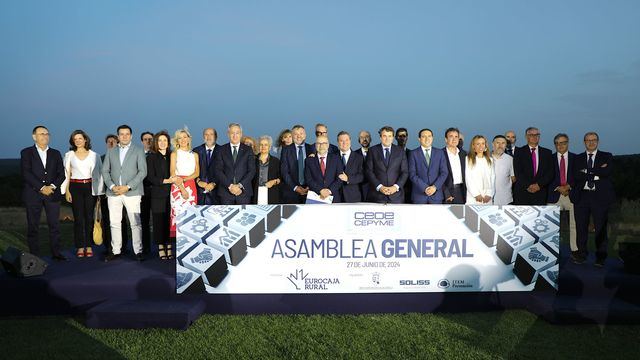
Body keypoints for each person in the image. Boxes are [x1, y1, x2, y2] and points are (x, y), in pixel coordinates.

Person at [20, 125, 67, 261]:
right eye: (41, 134)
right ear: (34, 137)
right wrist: (42, 187)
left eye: (47, 133)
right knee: (33, 226)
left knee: (54, 225)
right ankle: (35, 257)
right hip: (33, 195)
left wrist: (51, 187)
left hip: (52, 194)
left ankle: (56, 253)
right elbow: (26, 173)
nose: (45, 136)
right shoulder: (26, 152)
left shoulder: (56, 153)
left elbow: (61, 174)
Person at [102, 124, 147, 262]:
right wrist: (112, 186)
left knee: (135, 223)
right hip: (113, 193)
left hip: (132, 192)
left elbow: (143, 172)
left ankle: (138, 251)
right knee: (114, 222)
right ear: (118, 136)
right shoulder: (111, 151)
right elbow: (105, 171)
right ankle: (115, 251)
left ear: (131, 136)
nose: (124, 136)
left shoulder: (138, 151)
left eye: (127, 134)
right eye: (121, 134)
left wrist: (128, 187)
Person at [571, 132, 615, 267]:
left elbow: (607, 173)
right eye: (588, 140)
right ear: (584, 142)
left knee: (600, 228)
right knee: (581, 227)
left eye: (594, 140)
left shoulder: (607, 156)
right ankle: (582, 255)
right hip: (582, 196)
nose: (591, 142)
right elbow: (576, 175)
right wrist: (596, 172)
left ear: (598, 141)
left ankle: (600, 257)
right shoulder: (577, 158)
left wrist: (587, 171)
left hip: (599, 196)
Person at [61, 130, 103, 258]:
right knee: (78, 219)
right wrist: (67, 191)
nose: (78, 140)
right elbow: (66, 174)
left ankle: (89, 245)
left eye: (80, 138)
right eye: (75, 139)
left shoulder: (94, 155)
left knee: (89, 218)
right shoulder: (69, 155)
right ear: (73, 141)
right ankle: (80, 246)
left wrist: (99, 192)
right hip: (75, 187)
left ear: (85, 140)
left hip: (90, 187)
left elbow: (99, 174)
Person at [145, 131, 176, 260]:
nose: (162, 143)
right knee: (158, 221)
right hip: (157, 193)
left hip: (172, 194)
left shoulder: (173, 156)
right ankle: (160, 247)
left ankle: (169, 246)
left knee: (170, 221)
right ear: (156, 143)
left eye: (165, 140)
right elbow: (150, 176)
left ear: (168, 143)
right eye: (160, 140)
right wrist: (165, 181)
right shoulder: (151, 157)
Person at [548, 133, 577, 259]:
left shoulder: (577, 158)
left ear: (568, 143)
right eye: (558, 143)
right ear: (555, 145)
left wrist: (568, 186)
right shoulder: (549, 159)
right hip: (554, 195)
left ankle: (575, 250)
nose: (560, 145)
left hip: (571, 194)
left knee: (574, 224)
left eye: (563, 142)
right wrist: (559, 187)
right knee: (551, 226)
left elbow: (579, 177)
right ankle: (551, 251)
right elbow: (547, 176)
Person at [99, 134, 129, 256]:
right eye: (109, 142)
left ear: (117, 143)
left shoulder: (122, 158)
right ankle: (109, 247)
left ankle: (123, 246)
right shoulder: (101, 158)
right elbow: (100, 178)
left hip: (122, 193)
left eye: (113, 141)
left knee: (122, 221)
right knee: (108, 221)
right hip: (107, 194)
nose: (111, 143)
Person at [169, 128, 200, 244]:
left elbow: (197, 173)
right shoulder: (174, 154)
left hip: (191, 185)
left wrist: (185, 180)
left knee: (190, 215)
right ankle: (180, 245)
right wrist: (182, 188)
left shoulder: (195, 154)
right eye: (180, 138)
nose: (183, 140)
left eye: (185, 137)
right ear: (177, 140)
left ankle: (190, 244)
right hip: (177, 187)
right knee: (179, 215)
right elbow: (172, 172)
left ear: (189, 139)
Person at [365, 126, 409, 204]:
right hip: (376, 195)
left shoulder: (400, 151)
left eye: (389, 136)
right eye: (384, 136)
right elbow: (369, 171)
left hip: (396, 196)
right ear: (380, 137)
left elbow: (404, 172)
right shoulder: (372, 151)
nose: (387, 138)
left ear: (393, 137)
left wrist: (395, 187)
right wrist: (380, 187)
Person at [215, 123, 256, 205]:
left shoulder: (248, 150)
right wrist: (230, 186)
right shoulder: (221, 150)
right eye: (232, 133)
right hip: (225, 192)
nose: (235, 135)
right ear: (228, 134)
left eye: (237, 133)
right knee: (226, 217)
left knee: (243, 217)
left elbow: (252, 171)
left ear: (241, 134)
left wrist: (239, 186)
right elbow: (218, 170)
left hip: (243, 192)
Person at [513, 127, 554, 205]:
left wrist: (539, 185)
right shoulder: (519, 152)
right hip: (523, 193)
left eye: (537, 135)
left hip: (540, 192)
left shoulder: (547, 153)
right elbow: (518, 172)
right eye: (532, 135)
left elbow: (550, 173)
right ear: (526, 137)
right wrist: (528, 185)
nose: (535, 137)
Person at [408, 128, 449, 204]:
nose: (427, 139)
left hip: (436, 195)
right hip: (419, 196)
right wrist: (425, 188)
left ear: (432, 138)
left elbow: (444, 173)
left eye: (429, 136)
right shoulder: (413, 153)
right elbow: (412, 174)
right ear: (419, 139)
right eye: (424, 136)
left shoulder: (440, 153)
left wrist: (434, 187)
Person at [280, 124, 315, 204]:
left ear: (305, 135)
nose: (299, 136)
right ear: (292, 136)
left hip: (309, 191)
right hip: (291, 192)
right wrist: (295, 187)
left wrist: (310, 186)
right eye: (296, 134)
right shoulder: (286, 150)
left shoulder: (311, 149)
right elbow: (284, 172)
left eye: (301, 133)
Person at [305, 135, 344, 202]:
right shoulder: (309, 161)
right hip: (316, 197)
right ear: (315, 145)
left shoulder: (336, 159)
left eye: (324, 143)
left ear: (328, 145)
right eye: (319, 143)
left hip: (333, 198)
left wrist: (329, 191)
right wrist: (320, 190)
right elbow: (308, 179)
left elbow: (339, 179)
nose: (321, 146)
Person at [465, 135, 495, 205]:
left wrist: (489, 194)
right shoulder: (468, 159)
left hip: (487, 198)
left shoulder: (490, 160)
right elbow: (468, 178)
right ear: (473, 146)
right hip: (473, 197)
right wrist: (476, 194)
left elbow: (492, 178)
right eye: (478, 144)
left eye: (483, 143)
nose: (481, 146)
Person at [193, 128, 219, 205]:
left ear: (216, 137)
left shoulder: (222, 151)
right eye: (206, 134)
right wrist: (198, 181)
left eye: (211, 134)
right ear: (203, 137)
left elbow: (225, 171)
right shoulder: (196, 151)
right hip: (199, 192)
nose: (209, 137)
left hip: (216, 192)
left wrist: (214, 183)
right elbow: (191, 169)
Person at [336, 131, 364, 202]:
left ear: (350, 141)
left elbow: (362, 176)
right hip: (336, 197)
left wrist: (348, 178)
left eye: (346, 140)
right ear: (338, 142)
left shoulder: (359, 157)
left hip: (353, 197)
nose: (344, 143)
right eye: (341, 141)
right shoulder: (332, 157)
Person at [253, 135, 281, 204]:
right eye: (261, 144)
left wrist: (274, 181)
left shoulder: (276, 161)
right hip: (255, 192)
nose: (263, 147)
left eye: (266, 145)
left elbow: (281, 177)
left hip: (271, 193)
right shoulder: (252, 160)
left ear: (269, 147)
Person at [442, 127, 467, 204]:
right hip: (446, 193)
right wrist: (446, 193)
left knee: (461, 215)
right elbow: (436, 175)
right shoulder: (439, 154)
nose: (454, 139)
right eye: (451, 136)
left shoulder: (464, 154)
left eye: (456, 136)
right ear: (446, 139)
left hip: (462, 192)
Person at [140, 131, 153, 254]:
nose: (148, 141)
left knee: (159, 219)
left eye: (150, 139)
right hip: (142, 191)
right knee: (144, 220)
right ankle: (145, 246)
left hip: (156, 190)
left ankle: (162, 246)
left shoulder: (157, 155)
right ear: (142, 141)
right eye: (145, 139)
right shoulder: (137, 155)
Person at [491, 135, 515, 205]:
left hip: (506, 199)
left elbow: (513, 178)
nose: (500, 145)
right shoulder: (486, 158)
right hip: (488, 199)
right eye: (498, 143)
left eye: (503, 143)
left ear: (506, 145)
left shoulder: (510, 159)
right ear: (493, 144)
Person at [357, 130, 371, 201]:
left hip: (373, 189)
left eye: (367, 137)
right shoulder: (354, 155)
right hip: (358, 190)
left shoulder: (376, 153)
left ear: (370, 139)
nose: (364, 139)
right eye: (362, 137)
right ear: (359, 140)